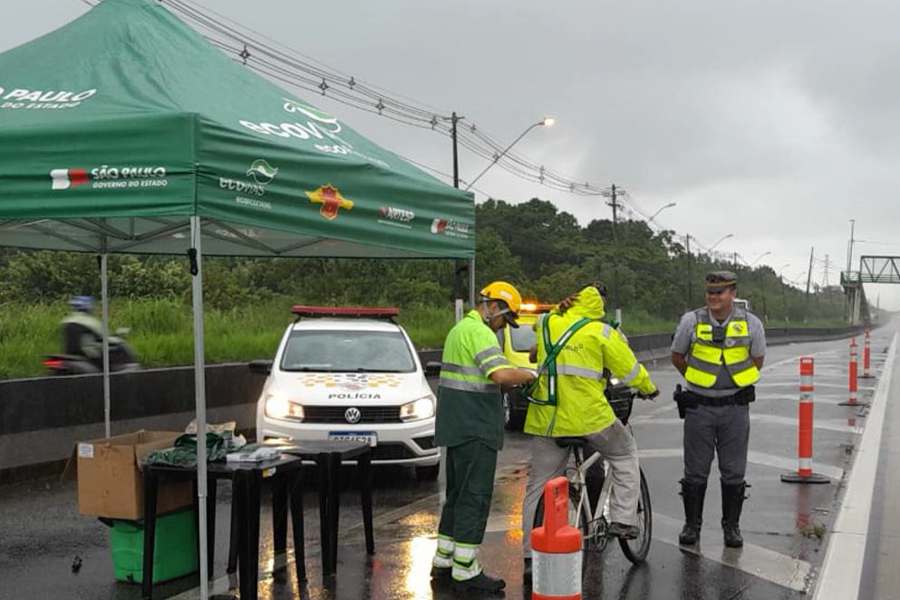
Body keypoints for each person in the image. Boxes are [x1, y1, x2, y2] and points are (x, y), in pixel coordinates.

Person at [520, 284, 658, 577]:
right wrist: (649, 388)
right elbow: (630, 370)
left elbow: (536, 346)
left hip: (547, 418)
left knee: (539, 484)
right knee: (625, 454)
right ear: (599, 307)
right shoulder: (602, 331)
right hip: (589, 417)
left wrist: (558, 309)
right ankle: (623, 519)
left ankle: (530, 555)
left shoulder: (547, 323)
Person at [431, 281, 537, 593]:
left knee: (457, 496)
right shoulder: (480, 333)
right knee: (475, 497)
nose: (504, 325)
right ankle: (466, 569)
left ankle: (444, 562)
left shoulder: (459, 330)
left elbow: (480, 378)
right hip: (476, 426)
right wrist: (532, 374)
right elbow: (500, 375)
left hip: (457, 426)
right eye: (505, 318)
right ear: (494, 308)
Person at [671, 271, 766, 548]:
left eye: (720, 292)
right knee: (695, 471)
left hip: (735, 408)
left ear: (732, 294)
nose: (713, 297)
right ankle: (692, 526)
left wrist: (733, 382)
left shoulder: (751, 323)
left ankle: (731, 527)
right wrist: (699, 379)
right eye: (710, 292)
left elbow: (757, 359)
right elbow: (677, 357)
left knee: (734, 471)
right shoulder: (691, 321)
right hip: (699, 406)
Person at [62, 295, 104, 366]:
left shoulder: (67, 320)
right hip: (87, 355)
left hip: (69, 355)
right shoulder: (90, 321)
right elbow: (102, 336)